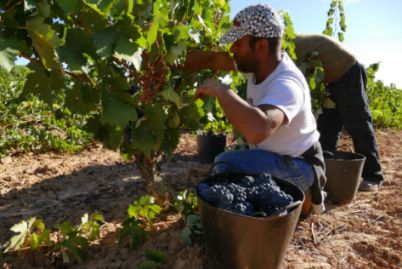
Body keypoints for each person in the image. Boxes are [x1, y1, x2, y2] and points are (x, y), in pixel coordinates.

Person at [184, 4, 326, 213]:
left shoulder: (287, 84)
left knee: (226, 165)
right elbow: (212, 59)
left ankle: (304, 200)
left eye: (238, 44)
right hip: (275, 158)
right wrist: (163, 61)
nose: (232, 49)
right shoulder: (258, 65)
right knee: (227, 170)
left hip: (301, 166)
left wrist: (223, 91)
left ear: (260, 46)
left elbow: (259, 129)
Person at [293, 34, 384, 191]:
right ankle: (328, 171)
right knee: (326, 127)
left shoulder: (282, 50)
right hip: (330, 81)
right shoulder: (280, 48)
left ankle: (373, 175)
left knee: (358, 123)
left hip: (347, 71)